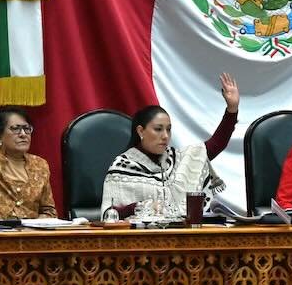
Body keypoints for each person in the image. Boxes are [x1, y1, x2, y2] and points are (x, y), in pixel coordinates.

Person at [101, 73, 240, 218]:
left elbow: (214, 146)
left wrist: (232, 110)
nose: (165, 136)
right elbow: (109, 215)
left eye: (168, 129)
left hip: (181, 236)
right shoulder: (122, 166)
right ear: (141, 131)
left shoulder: (177, 159)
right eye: (158, 129)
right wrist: (139, 207)